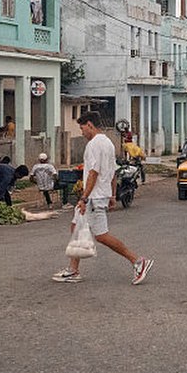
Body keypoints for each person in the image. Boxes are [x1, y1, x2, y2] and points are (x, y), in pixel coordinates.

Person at [53, 112, 154, 285]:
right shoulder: (107, 143)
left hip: (93, 197)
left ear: (90, 125)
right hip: (100, 194)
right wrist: (112, 194)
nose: (82, 132)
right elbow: (113, 171)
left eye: (82, 128)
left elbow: (94, 172)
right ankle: (73, 270)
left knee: (101, 235)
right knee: (76, 227)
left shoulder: (94, 145)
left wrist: (84, 198)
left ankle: (137, 261)